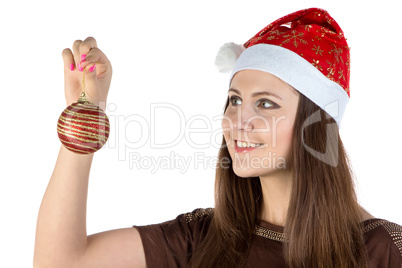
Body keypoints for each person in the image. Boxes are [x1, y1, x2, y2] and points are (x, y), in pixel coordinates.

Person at [33, 7, 402, 268]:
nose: (238, 120)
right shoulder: (205, 236)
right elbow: (59, 262)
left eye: (267, 104)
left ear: (316, 127)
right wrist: (86, 118)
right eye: (235, 100)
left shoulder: (383, 250)